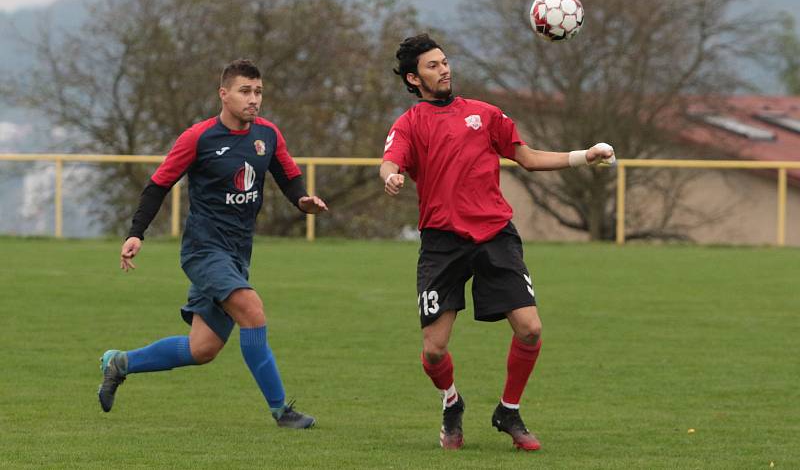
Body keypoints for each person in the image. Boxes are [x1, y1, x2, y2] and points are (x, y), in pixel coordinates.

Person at [380, 34, 615, 451]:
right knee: (434, 351)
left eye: (445, 61)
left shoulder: (485, 114)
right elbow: (390, 160)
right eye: (433, 66)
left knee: (530, 329)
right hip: (442, 243)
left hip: (494, 236)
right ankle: (452, 404)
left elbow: (527, 157)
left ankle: (509, 410)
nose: (445, 69)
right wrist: (391, 176)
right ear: (414, 79)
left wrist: (585, 155)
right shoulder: (410, 122)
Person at [98, 59, 328, 429]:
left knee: (201, 349)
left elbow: (288, 177)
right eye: (245, 91)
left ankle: (120, 362)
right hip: (203, 251)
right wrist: (136, 233)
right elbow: (158, 185)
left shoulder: (268, 134)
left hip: (237, 254)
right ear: (224, 94)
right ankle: (281, 411)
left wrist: (302, 200)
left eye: (258, 92)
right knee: (252, 310)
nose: (254, 99)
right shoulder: (199, 137)